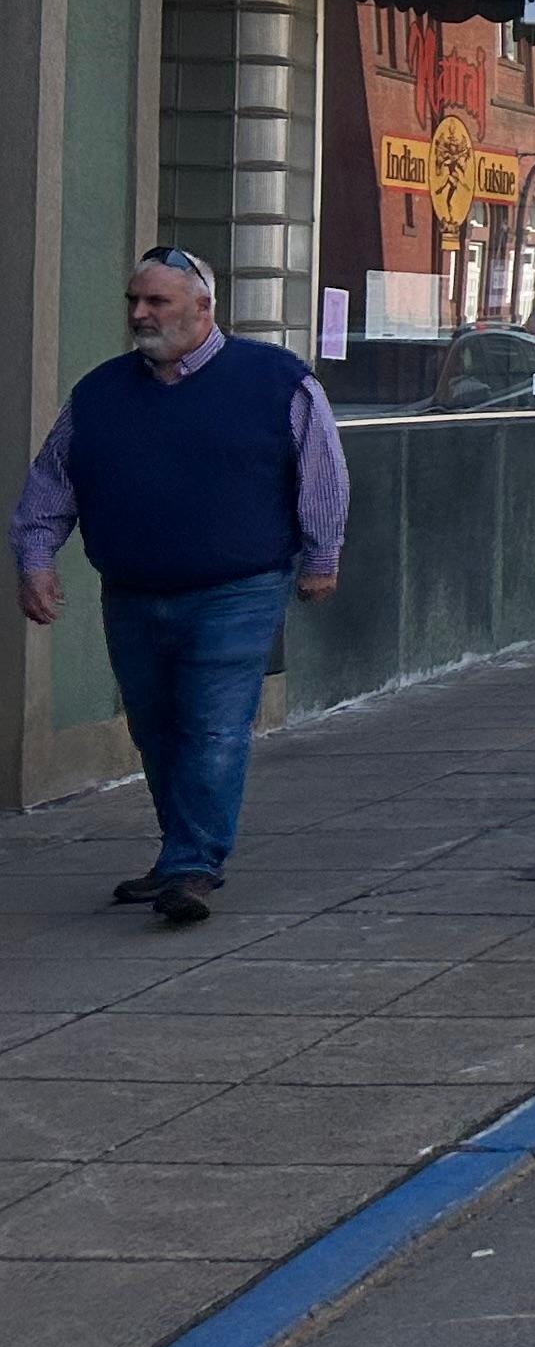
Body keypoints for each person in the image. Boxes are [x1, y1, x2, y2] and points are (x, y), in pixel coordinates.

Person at [14, 249, 348, 928]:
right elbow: (52, 481)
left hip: (237, 588)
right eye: (134, 301)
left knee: (212, 726)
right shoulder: (100, 393)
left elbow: (322, 471)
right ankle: (179, 854)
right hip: (132, 590)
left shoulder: (275, 379)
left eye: (156, 302)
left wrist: (322, 557)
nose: (140, 315)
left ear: (203, 307)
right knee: (156, 728)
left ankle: (194, 864)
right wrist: (35, 561)